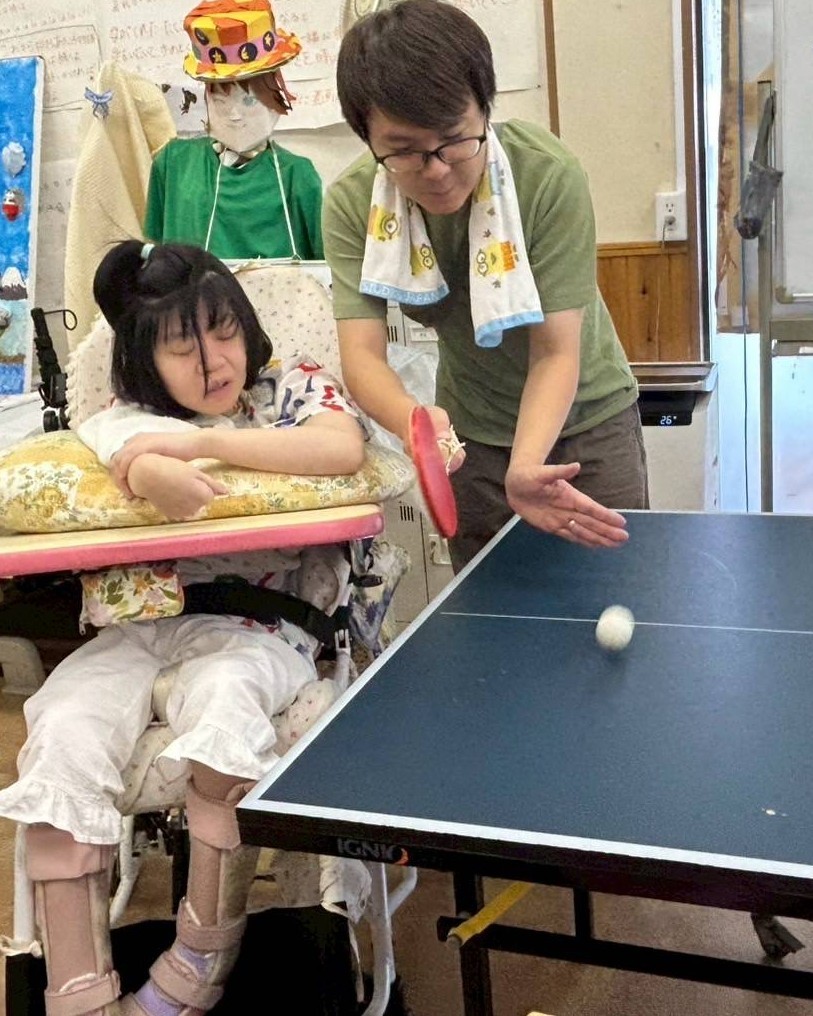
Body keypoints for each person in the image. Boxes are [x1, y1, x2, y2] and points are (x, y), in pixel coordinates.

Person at [0, 240, 367, 1016]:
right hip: (139, 631)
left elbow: (341, 448)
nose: (212, 362)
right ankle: (77, 991)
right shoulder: (124, 419)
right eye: (181, 347)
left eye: (223, 331)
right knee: (62, 729)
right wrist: (143, 467)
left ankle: (199, 965)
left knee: (225, 709)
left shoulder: (293, 390)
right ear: (144, 359)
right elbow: (118, 450)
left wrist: (201, 442)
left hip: (260, 629)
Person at [323, 0, 650, 571]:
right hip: (469, 437)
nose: (436, 169)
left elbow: (555, 352)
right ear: (367, 136)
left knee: (619, 594)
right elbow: (362, 357)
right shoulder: (355, 206)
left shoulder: (546, 176)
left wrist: (526, 465)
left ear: (484, 111)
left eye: (454, 138)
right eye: (404, 150)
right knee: (492, 610)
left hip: (588, 421)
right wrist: (415, 424)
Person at [144, 0, 324, 260]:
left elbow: (327, 268)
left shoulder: (297, 176)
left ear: (275, 97)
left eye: (248, 101)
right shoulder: (173, 164)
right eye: (221, 101)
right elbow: (156, 253)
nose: (235, 115)